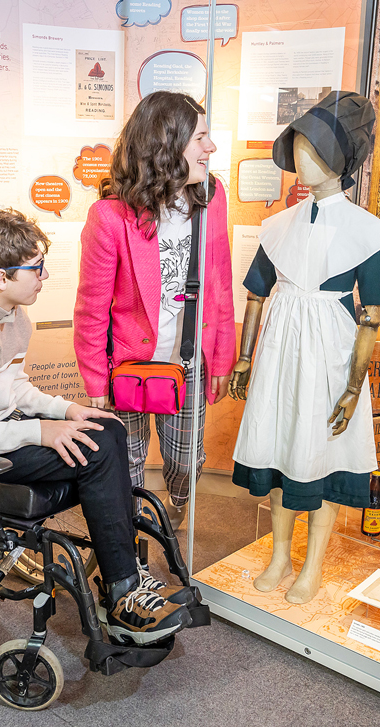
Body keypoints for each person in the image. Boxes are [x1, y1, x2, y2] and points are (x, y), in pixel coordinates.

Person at [0, 207, 193, 644]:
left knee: (108, 429)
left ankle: (125, 584)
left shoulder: (16, 317)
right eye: (36, 269)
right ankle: (123, 591)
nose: (43, 276)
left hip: (4, 429)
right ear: (1, 277)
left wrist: (65, 411)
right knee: (99, 452)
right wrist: (38, 431)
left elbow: (14, 389)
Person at [229, 92, 380, 604]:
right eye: (298, 149)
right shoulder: (278, 226)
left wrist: (353, 387)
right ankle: (280, 553)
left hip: (331, 349)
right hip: (281, 349)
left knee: (321, 459)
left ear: (338, 159)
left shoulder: (366, 233)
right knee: (284, 450)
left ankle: (312, 565)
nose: (300, 162)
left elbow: (372, 314)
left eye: (311, 150)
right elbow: (257, 293)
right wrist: (244, 356)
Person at [74, 91, 235, 529]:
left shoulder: (211, 197)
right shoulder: (110, 217)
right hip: (126, 363)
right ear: (168, 144)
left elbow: (219, 281)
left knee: (186, 462)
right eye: (201, 137)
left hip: (187, 360)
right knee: (125, 464)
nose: (211, 148)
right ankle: (131, 538)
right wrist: (94, 379)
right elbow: (92, 310)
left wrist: (221, 355)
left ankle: (175, 514)